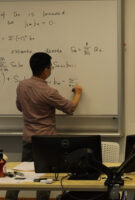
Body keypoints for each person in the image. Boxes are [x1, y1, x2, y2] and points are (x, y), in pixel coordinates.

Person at [5, 52, 82, 200]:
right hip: (46, 142)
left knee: (21, 175)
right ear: (46, 70)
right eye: (50, 67)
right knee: (44, 179)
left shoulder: (22, 86)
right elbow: (70, 108)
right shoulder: (48, 92)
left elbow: (20, 107)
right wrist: (78, 93)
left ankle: (10, 198)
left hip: (28, 139)